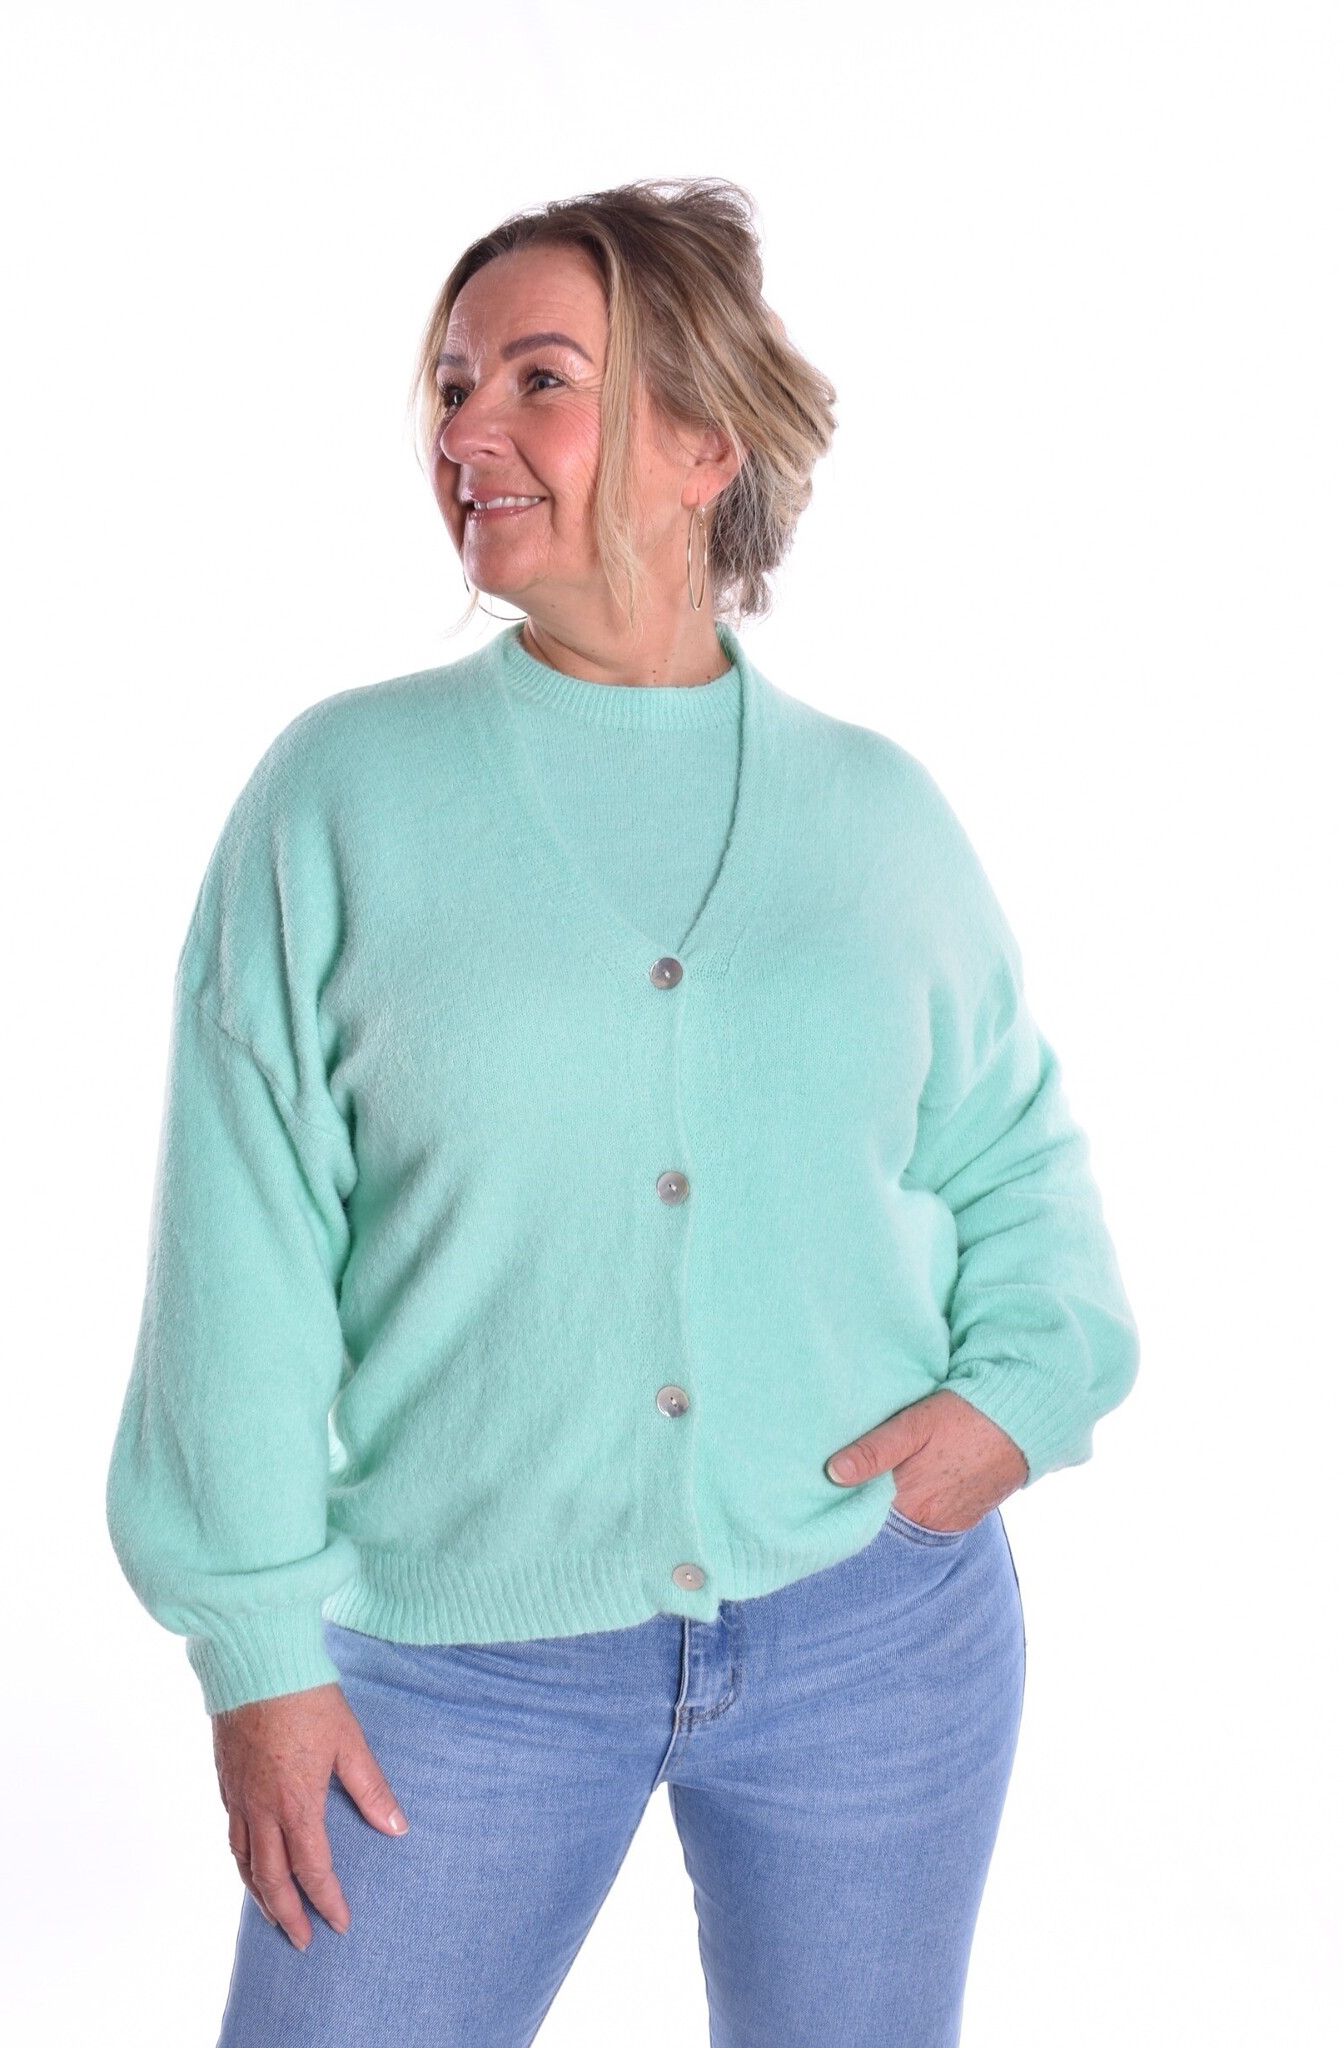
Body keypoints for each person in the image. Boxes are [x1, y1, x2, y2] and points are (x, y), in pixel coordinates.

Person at [105, 177, 1140, 2047]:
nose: (465, 429)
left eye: (538, 380)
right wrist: (257, 1650)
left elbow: (1013, 1157)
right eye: (450, 385)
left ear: (698, 444)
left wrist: (1016, 1400)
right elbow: (238, 1254)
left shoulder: (878, 814)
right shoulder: (342, 795)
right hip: (457, 1670)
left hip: (876, 1630)